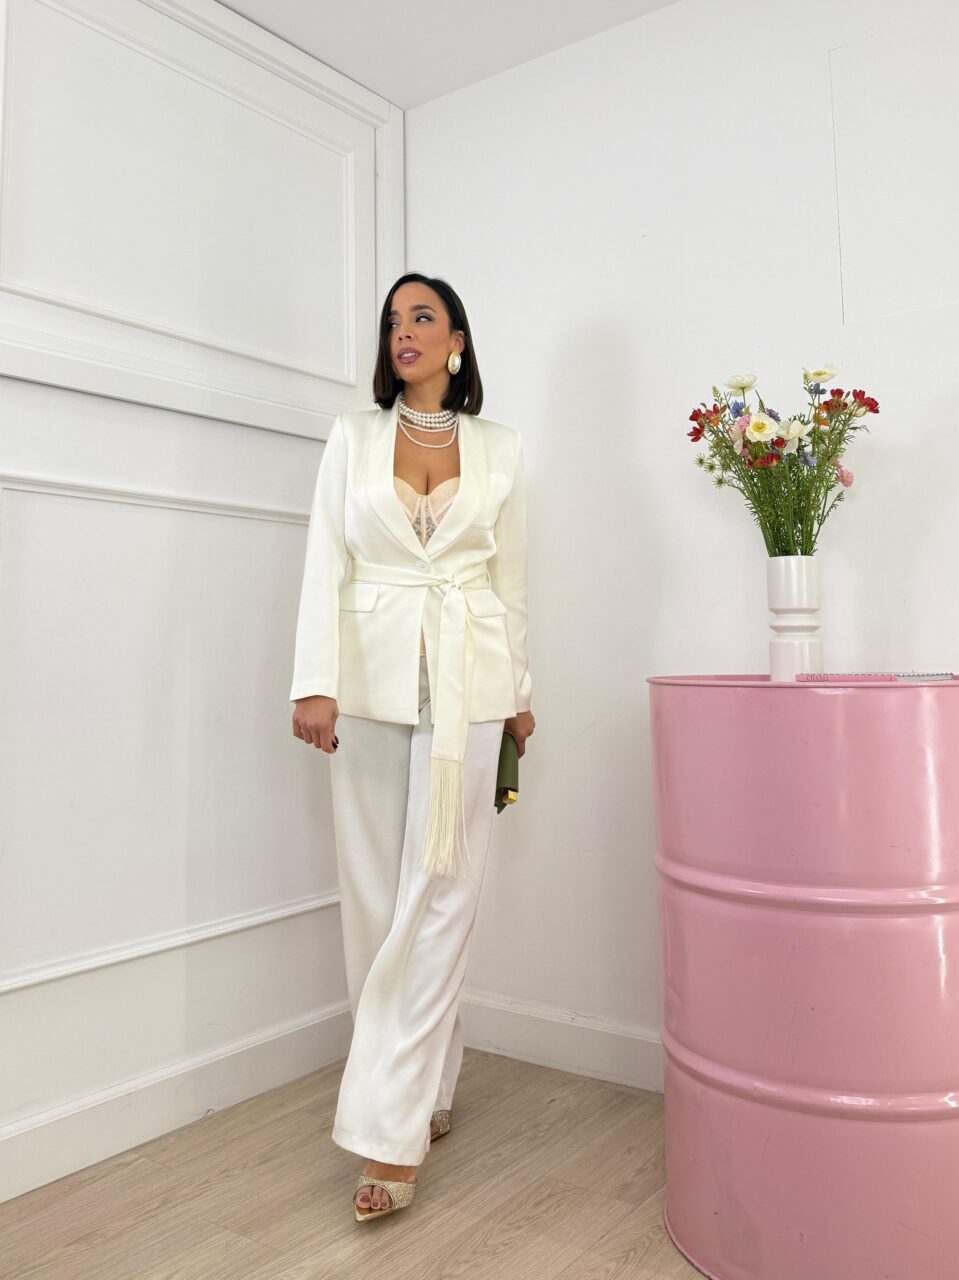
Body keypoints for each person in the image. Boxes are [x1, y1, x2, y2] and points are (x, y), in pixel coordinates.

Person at [289, 272, 536, 1221]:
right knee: (375, 901)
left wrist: (520, 694)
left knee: (442, 895)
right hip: (368, 682)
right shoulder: (352, 437)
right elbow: (325, 558)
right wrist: (314, 680)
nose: (405, 331)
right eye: (394, 320)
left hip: (473, 686)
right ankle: (425, 1085)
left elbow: (512, 583)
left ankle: (390, 1140)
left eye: (423, 317)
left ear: (457, 340)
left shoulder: (501, 448)